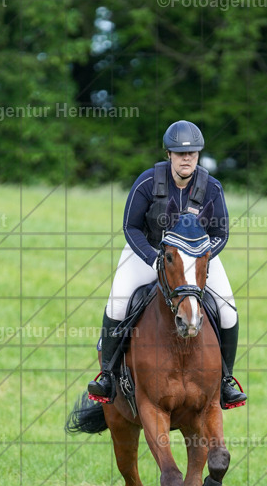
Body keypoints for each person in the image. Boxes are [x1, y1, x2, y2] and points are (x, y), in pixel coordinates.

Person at [87, 120, 246, 409]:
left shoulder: (211, 187)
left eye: (192, 154)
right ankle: (108, 376)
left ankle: (225, 381)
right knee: (117, 305)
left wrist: (203, 258)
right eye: (180, 153)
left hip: (196, 260)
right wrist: (152, 258)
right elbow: (130, 226)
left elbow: (221, 234)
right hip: (147, 252)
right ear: (168, 155)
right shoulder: (148, 182)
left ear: (198, 156)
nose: (187, 159)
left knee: (228, 311)